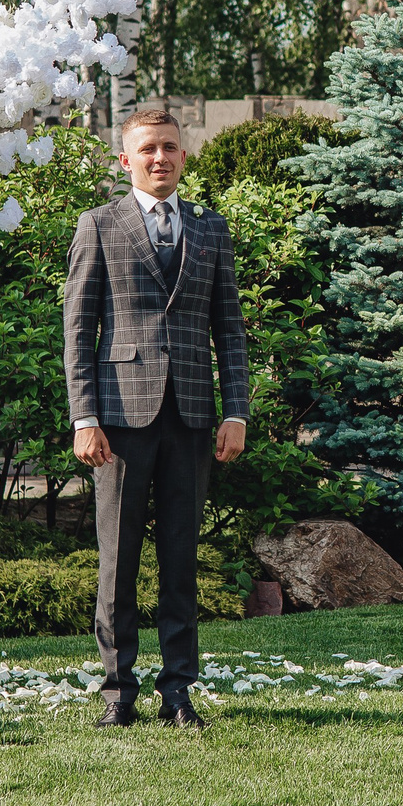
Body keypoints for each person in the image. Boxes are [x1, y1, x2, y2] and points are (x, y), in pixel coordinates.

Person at [63, 106, 250, 730]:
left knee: (180, 556)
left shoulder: (211, 228)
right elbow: (78, 331)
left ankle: (178, 692)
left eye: (170, 148)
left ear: (184, 156)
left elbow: (230, 329)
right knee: (116, 561)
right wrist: (84, 416)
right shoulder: (99, 226)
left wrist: (236, 411)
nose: (159, 158)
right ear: (126, 159)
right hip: (119, 421)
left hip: (194, 416)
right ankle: (118, 692)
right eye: (147, 149)